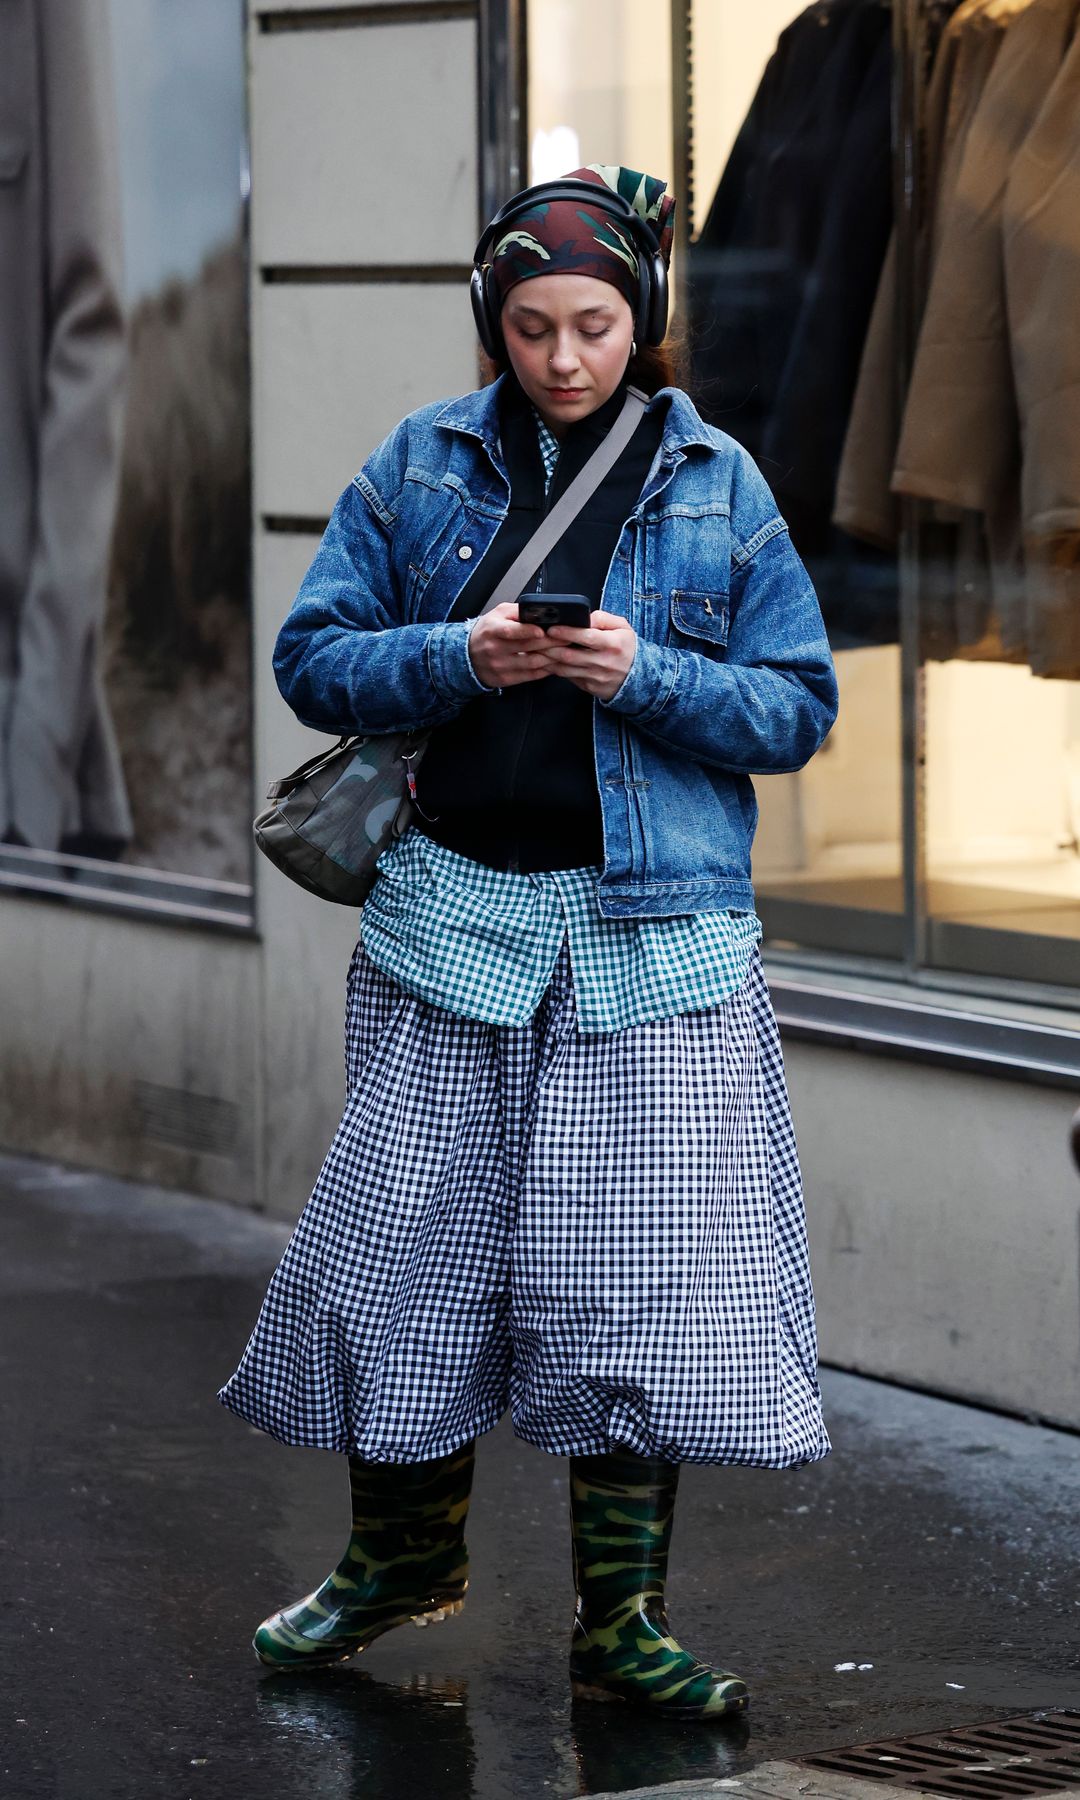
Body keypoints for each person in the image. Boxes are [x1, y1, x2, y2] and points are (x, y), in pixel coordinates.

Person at [220, 164, 839, 1721]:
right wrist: (462, 655)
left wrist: (646, 678)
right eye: (533, 325)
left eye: (597, 324)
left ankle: (620, 1622)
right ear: (491, 321)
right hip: (452, 927)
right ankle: (396, 1562)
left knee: (637, 1294)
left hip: (655, 943)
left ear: (644, 320)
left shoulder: (721, 481)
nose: (565, 358)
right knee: (401, 1266)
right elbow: (313, 659)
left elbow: (798, 707)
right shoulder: (419, 465)